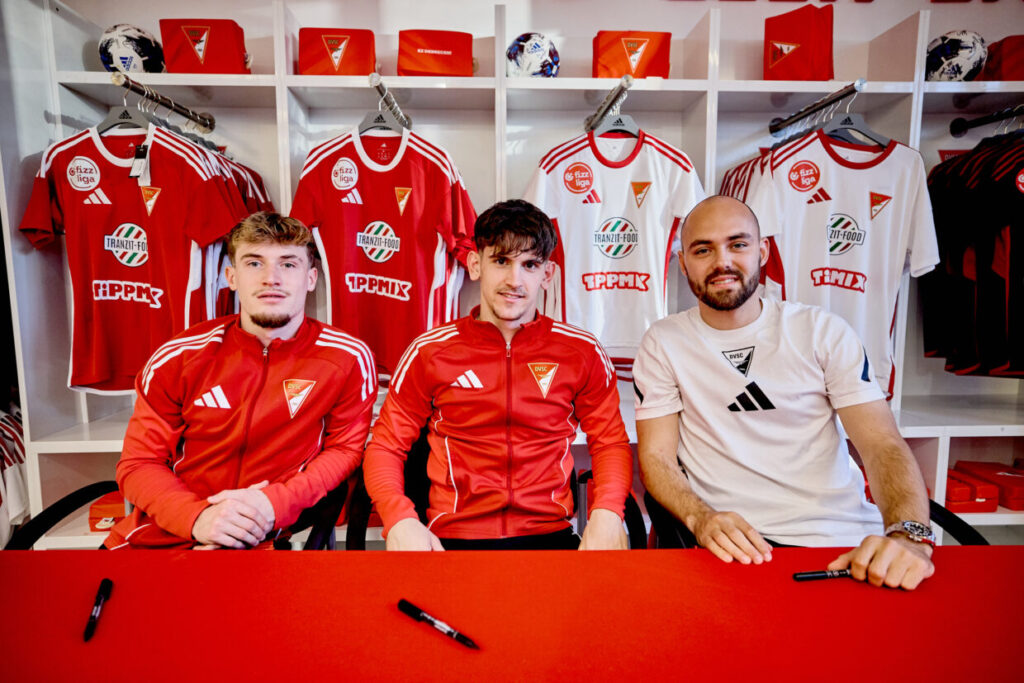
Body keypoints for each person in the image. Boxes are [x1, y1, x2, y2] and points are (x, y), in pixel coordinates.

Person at [634, 195, 935, 589]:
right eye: (703, 250)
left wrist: (909, 535)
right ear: (683, 262)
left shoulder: (822, 331)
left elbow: (882, 445)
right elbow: (656, 458)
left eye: (737, 244)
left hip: (840, 542)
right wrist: (700, 518)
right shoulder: (663, 342)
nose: (722, 261)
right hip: (732, 549)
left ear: (763, 252)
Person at [363, 199, 634, 550]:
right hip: (452, 540)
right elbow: (386, 446)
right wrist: (399, 519)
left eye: (530, 264)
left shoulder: (581, 352)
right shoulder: (430, 352)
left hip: (549, 536)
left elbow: (610, 442)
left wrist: (608, 512)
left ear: (547, 275)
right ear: (476, 265)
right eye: (501, 261)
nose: (514, 280)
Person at [104, 212, 377, 549]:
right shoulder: (178, 357)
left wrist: (273, 504)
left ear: (311, 278)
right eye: (254, 263)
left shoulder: (348, 358)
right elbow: (138, 463)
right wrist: (196, 518)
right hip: (167, 533)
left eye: (288, 264)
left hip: (271, 535)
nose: (271, 278)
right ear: (231, 277)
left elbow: (344, 451)